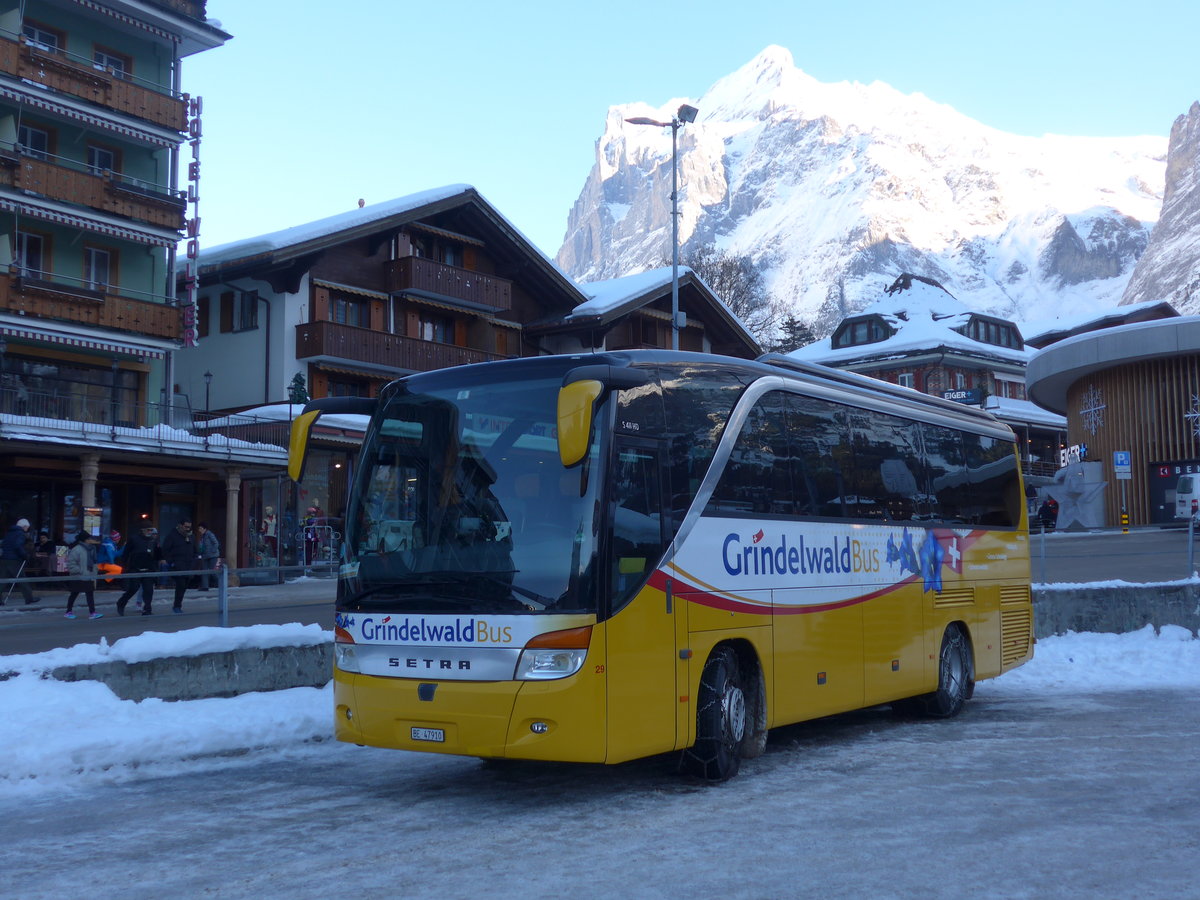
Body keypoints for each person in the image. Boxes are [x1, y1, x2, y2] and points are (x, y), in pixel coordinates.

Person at [116, 525, 161, 616]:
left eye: (151, 530)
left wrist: (159, 557)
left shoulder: (153, 541)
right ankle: (121, 602)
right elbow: (126, 553)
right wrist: (125, 566)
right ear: (142, 530)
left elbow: (157, 556)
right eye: (148, 530)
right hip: (135, 568)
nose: (150, 532)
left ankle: (147, 609)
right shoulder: (134, 539)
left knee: (148, 589)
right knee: (133, 588)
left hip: (149, 568)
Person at [0, 517, 39, 606]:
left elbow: (4, 544)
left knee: (2, 580)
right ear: (24, 526)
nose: (27, 529)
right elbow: (18, 546)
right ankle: (29, 598)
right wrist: (24, 555)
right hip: (14, 560)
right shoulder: (20, 534)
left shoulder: (9, 533)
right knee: (21, 579)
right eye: (27, 527)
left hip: (4, 559)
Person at [161, 517, 196, 614]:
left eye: (189, 527)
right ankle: (177, 606)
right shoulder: (172, 536)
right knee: (180, 585)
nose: (187, 529)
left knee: (184, 586)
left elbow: (195, 549)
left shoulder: (191, 536)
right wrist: (172, 562)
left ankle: (178, 604)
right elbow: (165, 550)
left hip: (188, 566)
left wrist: (194, 560)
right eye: (186, 526)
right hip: (177, 565)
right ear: (180, 525)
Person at [64, 531, 102, 619]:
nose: (91, 540)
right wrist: (80, 570)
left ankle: (92, 612)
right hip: (78, 575)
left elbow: (94, 561)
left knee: (90, 593)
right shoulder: (76, 549)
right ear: (85, 540)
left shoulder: (92, 548)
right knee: (74, 593)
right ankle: (68, 611)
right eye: (89, 538)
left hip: (88, 575)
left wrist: (94, 571)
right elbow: (71, 564)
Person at [195, 522, 221, 590]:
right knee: (204, 571)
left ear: (204, 529)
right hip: (205, 556)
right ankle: (205, 587)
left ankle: (222, 584)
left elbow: (216, 543)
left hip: (212, 556)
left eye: (200, 528)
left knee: (212, 571)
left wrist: (212, 551)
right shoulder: (202, 536)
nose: (199, 530)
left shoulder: (209, 534)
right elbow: (202, 546)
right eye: (199, 528)